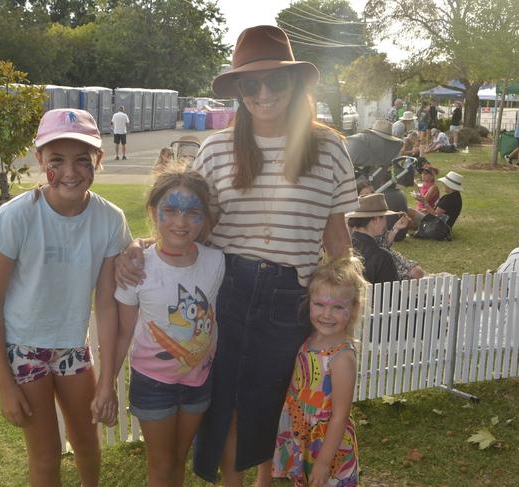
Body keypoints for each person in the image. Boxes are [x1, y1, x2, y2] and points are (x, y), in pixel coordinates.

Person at [116, 25, 357, 487]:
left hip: (292, 294)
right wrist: (140, 246)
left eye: (276, 81)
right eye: (250, 83)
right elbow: (186, 222)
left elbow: (337, 238)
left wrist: (344, 313)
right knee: (224, 406)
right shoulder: (217, 149)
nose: (263, 93)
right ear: (239, 91)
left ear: (295, 83)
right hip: (224, 290)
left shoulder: (329, 148)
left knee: (269, 405)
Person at [0, 109, 131, 487]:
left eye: (83, 160)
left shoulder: (110, 219)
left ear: (98, 159)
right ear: (40, 160)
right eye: (57, 160)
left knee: (87, 442)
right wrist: (4, 383)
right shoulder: (16, 216)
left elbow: (107, 303)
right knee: (45, 455)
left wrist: (107, 379)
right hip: (25, 351)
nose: (70, 172)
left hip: (73, 350)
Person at [111, 169, 225, 487]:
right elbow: (122, 332)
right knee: (160, 466)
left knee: (178, 458)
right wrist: (106, 382)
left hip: (198, 382)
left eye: (192, 212)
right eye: (171, 210)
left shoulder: (217, 262)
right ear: (153, 211)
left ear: (204, 217)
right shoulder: (137, 268)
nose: (181, 222)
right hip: (153, 385)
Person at [272, 255, 366, 487]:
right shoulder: (310, 338)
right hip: (304, 435)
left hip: (327, 445)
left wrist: (324, 463)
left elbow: (340, 416)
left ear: (353, 309)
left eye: (337, 307)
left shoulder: (341, 358)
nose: (326, 314)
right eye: (320, 304)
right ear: (309, 301)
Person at [356, 180, 424, 280]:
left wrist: (396, 228)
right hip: (374, 260)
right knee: (412, 277)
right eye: (366, 195)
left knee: (418, 272)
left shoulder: (378, 215)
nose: (371, 197)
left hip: (385, 253)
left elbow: (385, 242)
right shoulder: (357, 220)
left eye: (372, 193)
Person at [347, 194, 400, 284]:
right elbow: (390, 294)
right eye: (384, 217)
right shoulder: (383, 257)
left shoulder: (343, 248)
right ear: (375, 220)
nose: (386, 222)